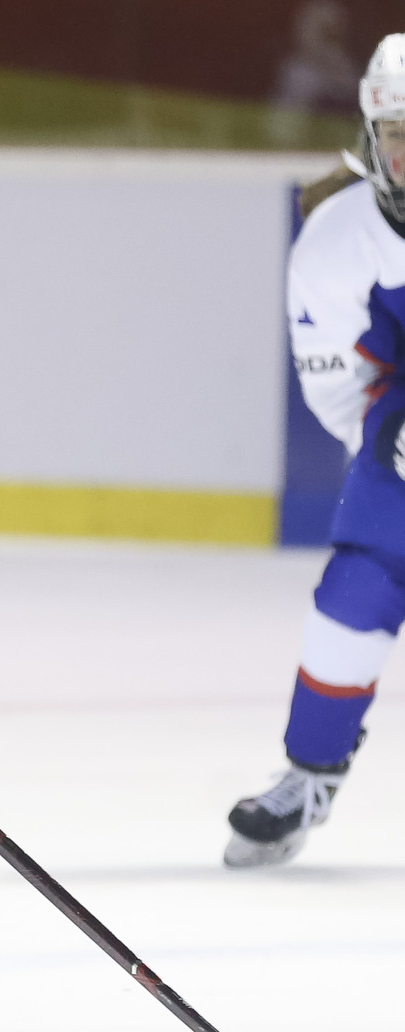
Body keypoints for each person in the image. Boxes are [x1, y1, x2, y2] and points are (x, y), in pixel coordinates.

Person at [226, 34, 405, 868]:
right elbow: (339, 386)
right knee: (355, 592)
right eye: (402, 132)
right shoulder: (337, 236)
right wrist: (389, 441)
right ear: (372, 133)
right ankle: (309, 771)